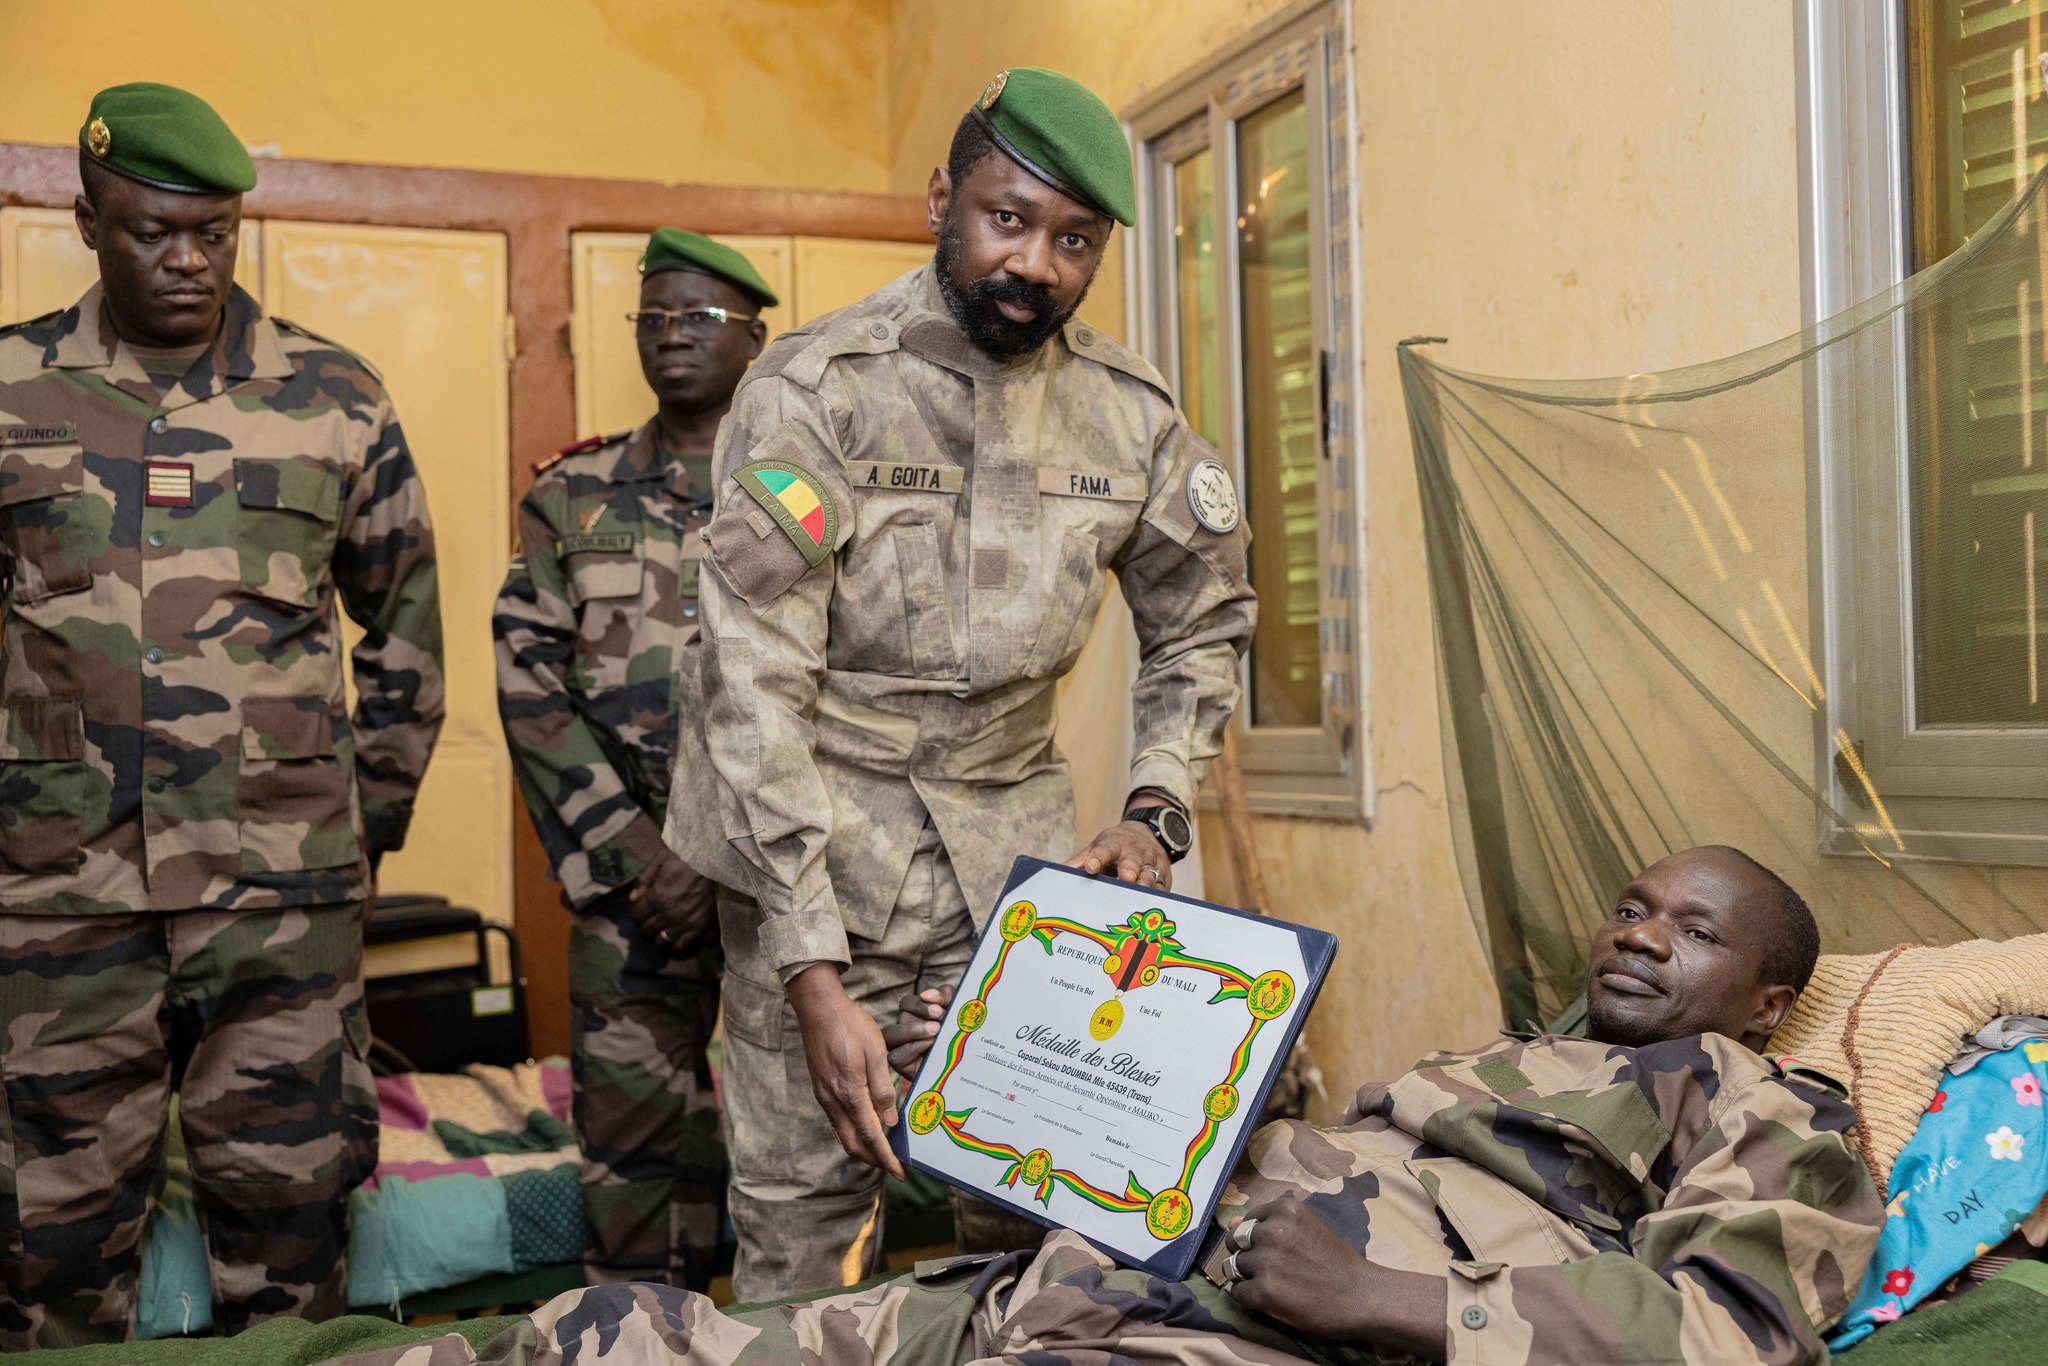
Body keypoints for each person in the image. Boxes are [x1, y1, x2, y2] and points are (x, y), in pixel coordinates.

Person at [368, 845, 1880, 1366]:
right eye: (1631, 905)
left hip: (1254, 1338)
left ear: (1765, 997)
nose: (1634, 934)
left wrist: (1391, 1299)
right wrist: (1014, 1092)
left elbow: (1733, 1330)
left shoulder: (1759, 1105)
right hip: (1077, 1281)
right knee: (610, 1328)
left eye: (1689, 930)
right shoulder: (1503, 1058)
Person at [663, 66, 1257, 1299]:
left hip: (1022, 890)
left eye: (1073, 240)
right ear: (942, 197)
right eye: (1006, 217)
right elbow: (750, 687)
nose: (1034, 262)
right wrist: (809, 971)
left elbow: (1203, 625)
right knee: (803, 1248)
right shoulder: (816, 393)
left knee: (1037, 1234)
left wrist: (1153, 806)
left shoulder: (1129, 418)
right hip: (818, 864)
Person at [0, 83, 443, 1346]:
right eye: (152, 230)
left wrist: (367, 835)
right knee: (47, 1236)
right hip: (57, 905)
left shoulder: (332, 398)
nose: (188, 260)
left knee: (292, 1222)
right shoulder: (12, 389)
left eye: (215, 232)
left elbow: (404, 626)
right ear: (86, 220)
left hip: (281, 906)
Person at [493, 230, 772, 1289]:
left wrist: (714, 851)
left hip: (772, 892)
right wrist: (632, 851)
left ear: (755, 334)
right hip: (630, 898)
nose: (671, 337)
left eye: (697, 318)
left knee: (789, 1167)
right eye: (652, 317)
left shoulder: (808, 495)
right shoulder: (572, 495)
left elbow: (843, 694)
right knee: (629, 1167)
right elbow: (527, 677)